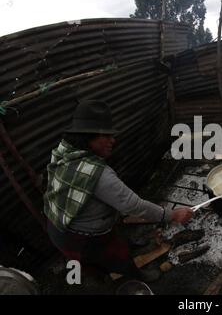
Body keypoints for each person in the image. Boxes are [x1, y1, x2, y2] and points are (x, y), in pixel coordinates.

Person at [43, 100, 193, 282]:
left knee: (112, 239)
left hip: (57, 223)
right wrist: (173, 215)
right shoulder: (98, 174)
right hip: (77, 237)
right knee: (117, 259)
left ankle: (114, 258)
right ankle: (135, 277)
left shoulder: (66, 152)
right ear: (88, 138)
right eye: (105, 135)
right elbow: (134, 206)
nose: (112, 140)